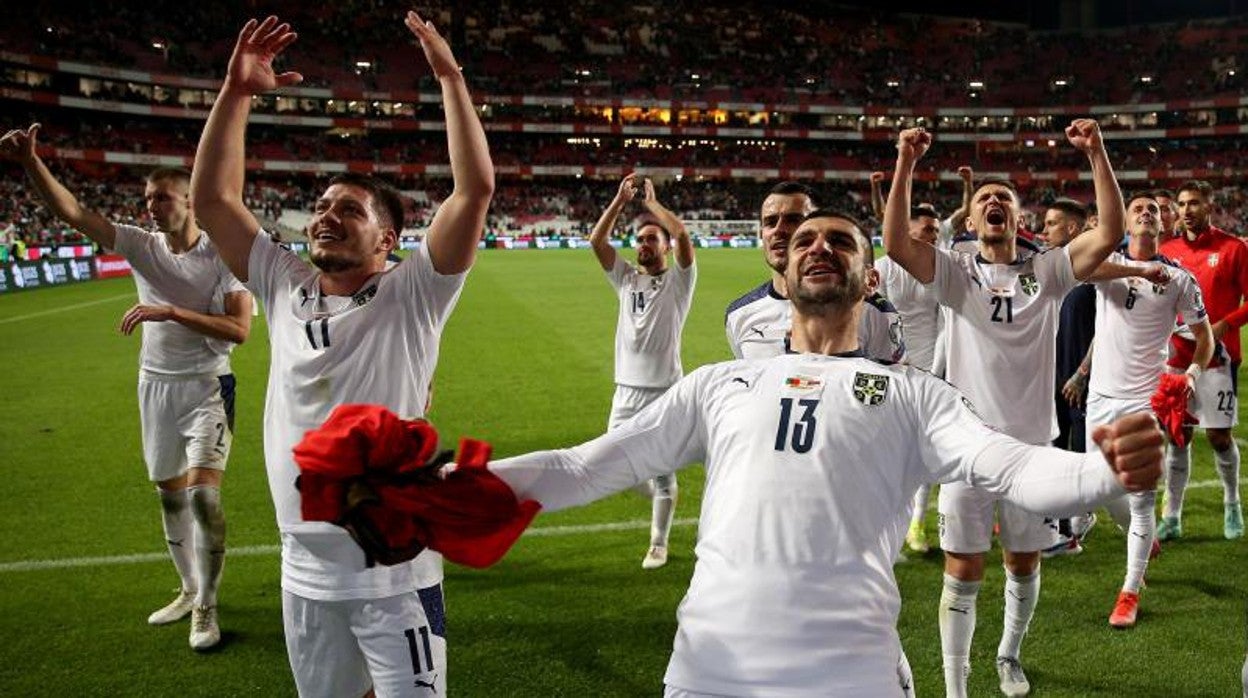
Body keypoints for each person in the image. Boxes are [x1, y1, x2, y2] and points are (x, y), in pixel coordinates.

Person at [486, 210, 1164, 698]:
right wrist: (458, 481)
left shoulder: (915, 393)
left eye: (840, 240)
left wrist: (1100, 471)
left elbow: (1013, 466)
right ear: (780, 265)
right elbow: (584, 467)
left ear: (870, 278)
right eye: (804, 239)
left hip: (854, 675)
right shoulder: (718, 384)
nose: (818, 247)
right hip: (706, 674)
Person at [190, 13, 493, 696]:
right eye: (321, 205)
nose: (325, 215)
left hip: (393, 571)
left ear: (388, 240)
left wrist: (449, 76)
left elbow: (473, 192)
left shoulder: (413, 293)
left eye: (349, 210)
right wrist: (236, 94)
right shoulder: (283, 284)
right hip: (303, 574)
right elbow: (212, 199)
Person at [883, 121, 1132, 698]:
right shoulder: (954, 272)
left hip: (1029, 451)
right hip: (966, 449)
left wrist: (1096, 153)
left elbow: (1110, 231)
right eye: (984, 200)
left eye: (1005, 199)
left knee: (1023, 563)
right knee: (962, 570)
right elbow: (896, 243)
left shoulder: (1045, 271)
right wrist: (905, 162)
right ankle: (955, 685)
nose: (994, 203)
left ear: (1018, 220)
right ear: (969, 222)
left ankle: (1008, 655)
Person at [0, 125, 251, 651]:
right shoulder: (139, 244)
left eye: (162, 197)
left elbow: (241, 332)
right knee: (170, 494)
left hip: (208, 386)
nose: (152, 206)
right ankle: (187, 589)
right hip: (155, 388)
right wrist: (30, 162)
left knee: (205, 496)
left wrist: (169, 312)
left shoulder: (223, 257)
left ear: (189, 201)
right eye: (147, 199)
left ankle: (206, 607)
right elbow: (73, 213)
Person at [1078, 193, 1213, 628]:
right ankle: (1144, 539)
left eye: (1154, 209)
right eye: (1138, 208)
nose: (1146, 212)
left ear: (1163, 223)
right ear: (1126, 223)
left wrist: (1192, 372)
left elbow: (1204, 338)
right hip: (1100, 397)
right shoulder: (1109, 265)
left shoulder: (1180, 281)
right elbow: (1082, 268)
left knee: (1139, 499)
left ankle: (1129, 591)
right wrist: (1139, 269)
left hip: (1144, 399)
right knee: (1099, 490)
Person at [588, 173, 695, 569]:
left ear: (664, 246)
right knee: (617, 464)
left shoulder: (679, 282)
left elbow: (683, 237)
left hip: (665, 391)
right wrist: (619, 200)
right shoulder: (626, 279)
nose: (644, 244)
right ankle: (662, 499)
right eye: (641, 239)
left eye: (653, 238)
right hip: (626, 393)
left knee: (663, 474)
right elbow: (597, 243)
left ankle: (658, 542)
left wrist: (652, 205)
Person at [725, 182, 904, 363]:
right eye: (770, 222)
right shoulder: (739, 314)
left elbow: (890, 383)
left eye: (794, 220)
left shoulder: (874, 312)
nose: (778, 230)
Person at [1158, 179, 1248, 541]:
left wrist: (1225, 324)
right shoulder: (1168, 249)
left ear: (1210, 206)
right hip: (1175, 359)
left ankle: (1232, 504)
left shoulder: (1233, 248)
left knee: (1219, 437)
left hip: (1219, 358)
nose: (1187, 210)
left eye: (1195, 202)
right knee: (1177, 436)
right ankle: (1172, 516)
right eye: (1182, 203)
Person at [875, 204, 946, 553]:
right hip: (892, 371)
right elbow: (875, 319)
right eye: (928, 229)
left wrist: (940, 372)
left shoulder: (941, 268)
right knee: (887, 451)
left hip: (930, 370)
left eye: (936, 230)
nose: (934, 236)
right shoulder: (883, 268)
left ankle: (916, 524)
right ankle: (881, 523)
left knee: (923, 450)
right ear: (908, 229)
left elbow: (946, 323)